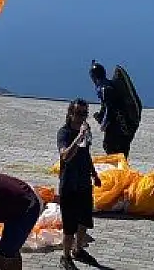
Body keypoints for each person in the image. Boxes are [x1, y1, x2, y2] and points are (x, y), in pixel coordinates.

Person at [57, 99, 102, 270]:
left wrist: (94, 174)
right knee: (69, 225)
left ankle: (78, 249)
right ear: (70, 114)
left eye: (84, 113)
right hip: (69, 186)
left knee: (84, 221)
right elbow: (65, 156)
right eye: (78, 113)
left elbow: (86, 154)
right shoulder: (64, 133)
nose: (81, 117)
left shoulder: (86, 132)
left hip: (84, 184)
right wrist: (79, 137)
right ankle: (65, 256)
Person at [89, 61, 133, 158]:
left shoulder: (104, 88)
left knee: (110, 145)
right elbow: (105, 106)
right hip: (120, 123)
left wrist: (104, 123)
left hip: (117, 123)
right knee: (113, 146)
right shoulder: (107, 85)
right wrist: (100, 115)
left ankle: (117, 168)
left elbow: (110, 107)